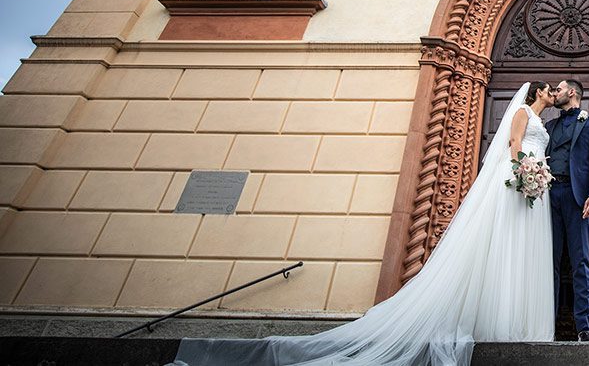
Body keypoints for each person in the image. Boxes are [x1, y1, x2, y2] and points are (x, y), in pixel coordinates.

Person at [171, 81, 556, 366]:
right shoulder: (522, 113)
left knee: (520, 249)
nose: (554, 92)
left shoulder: (545, 120)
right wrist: (523, 170)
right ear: (537, 91)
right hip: (518, 178)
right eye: (551, 90)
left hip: (532, 186)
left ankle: (517, 324)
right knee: (502, 243)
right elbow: (514, 143)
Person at [546, 79, 589, 341]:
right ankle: (545, 322)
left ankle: (584, 327)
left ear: (572, 93)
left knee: (580, 261)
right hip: (548, 196)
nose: (553, 93)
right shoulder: (549, 126)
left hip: (577, 198)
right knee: (548, 263)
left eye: (557, 90)